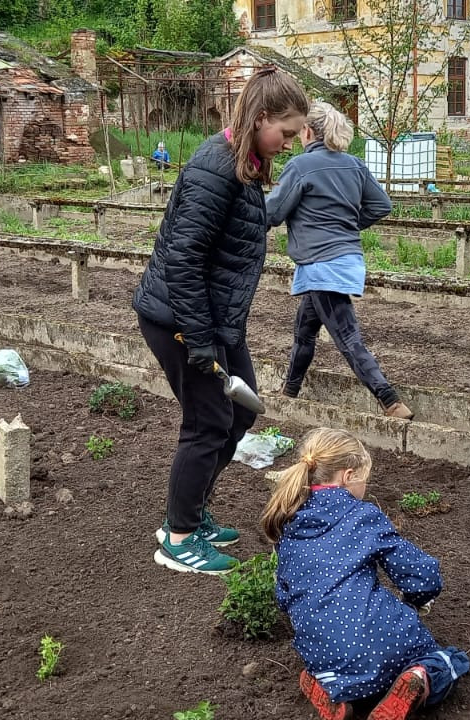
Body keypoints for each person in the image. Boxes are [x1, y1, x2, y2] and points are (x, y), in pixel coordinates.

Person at [132, 67, 310, 575]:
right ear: (260, 118)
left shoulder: (244, 162)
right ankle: (178, 538)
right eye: (287, 133)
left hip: (212, 320)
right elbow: (185, 259)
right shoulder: (217, 168)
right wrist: (201, 341)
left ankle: (190, 513)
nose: (289, 145)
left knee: (241, 414)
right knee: (208, 422)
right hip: (180, 321)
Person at [261, 427, 470, 720]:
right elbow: (423, 575)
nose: (365, 489)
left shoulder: (289, 522)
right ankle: (419, 679)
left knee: (332, 656)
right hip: (383, 644)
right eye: (364, 480)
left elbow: (284, 597)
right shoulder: (362, 515)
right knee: (449, 661)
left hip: (323, 651)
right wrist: (414, 600)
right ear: (348, 476)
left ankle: (329, 687)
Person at [266, 101, 412, 419]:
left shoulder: (301, 166)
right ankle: (288, 393)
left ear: (307, 130)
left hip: (321, 266)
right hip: (343, 262)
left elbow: (273, 212)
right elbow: (381, 205)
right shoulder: (354, 165)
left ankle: (391, 402)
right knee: (304, 332)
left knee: (347, 338)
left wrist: (242, 210)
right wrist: (348, 226)